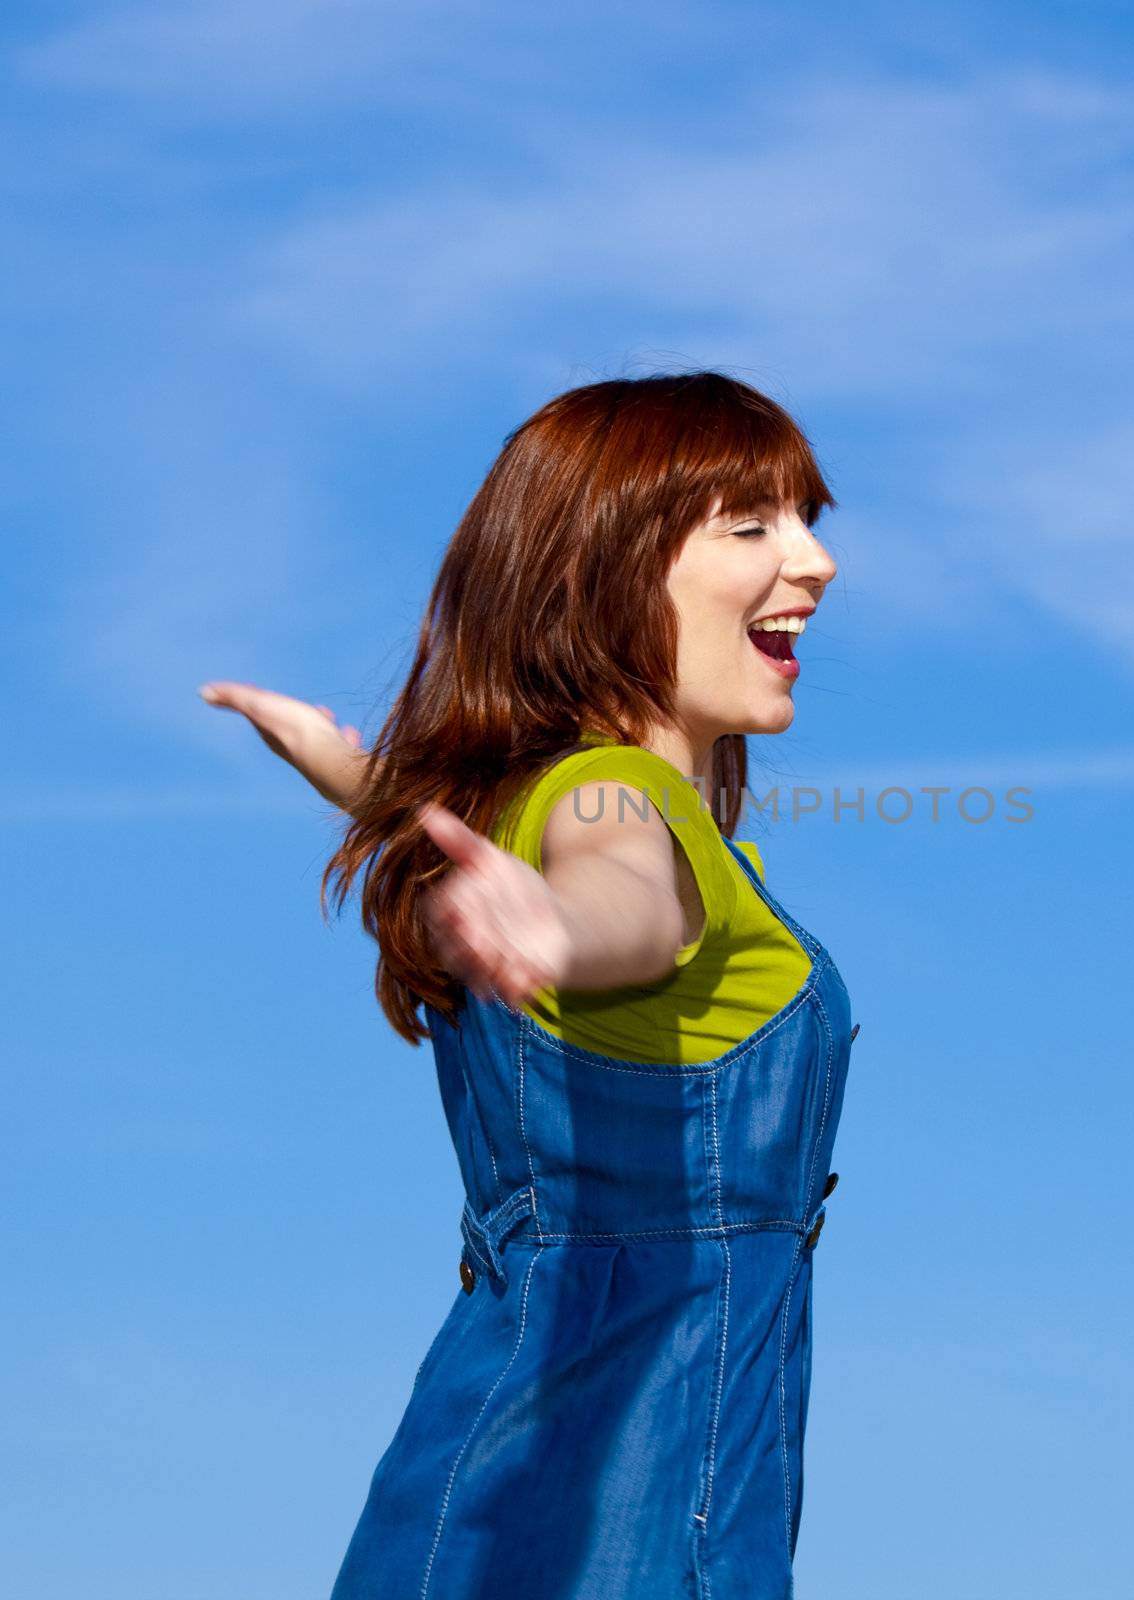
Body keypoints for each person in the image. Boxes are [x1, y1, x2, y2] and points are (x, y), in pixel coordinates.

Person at [201, 373, 859, 1599]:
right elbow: (628, 896)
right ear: (603, 569)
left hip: (505, 1460)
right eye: (751, 525)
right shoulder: (625, 797)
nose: (816, 561)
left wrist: (357, 777)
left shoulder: (533, 800)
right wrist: (562, 929)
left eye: (808, 518)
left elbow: (495, 835)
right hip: (639, 1491)